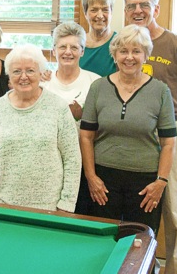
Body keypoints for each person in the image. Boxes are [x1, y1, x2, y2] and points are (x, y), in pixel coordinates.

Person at [125, 0, 177, 274]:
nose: (138, 11)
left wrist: (173, 122)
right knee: (143, 203)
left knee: (175, 209)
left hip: (173, 132)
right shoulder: (125, 44)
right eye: (132, 5)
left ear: (156, 9)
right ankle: (145, 267)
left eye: (144, 5)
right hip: (137, 135)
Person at [80, 25, 176, 235]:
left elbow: (168, 143)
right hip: (103, 182)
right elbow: (86, 136)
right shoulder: (98, 88)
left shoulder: (160, 91)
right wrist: (91, 177)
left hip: (145, 184)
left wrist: (161, 182)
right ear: (114, 55)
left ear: (146, 55)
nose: (129, 57)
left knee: (140, 243)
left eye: (136, 51)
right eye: (123, 51)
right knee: (102, 240)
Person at [0, 44, 81, 212]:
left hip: (49, 209)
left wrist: (66, 205)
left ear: (41, 73)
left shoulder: (58, 108)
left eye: (30, 71)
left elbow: (72, 159)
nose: (23, 77)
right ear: (9, 76)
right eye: (17, 71)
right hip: (3, 206)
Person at [42, 22, 100, 215]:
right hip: (50, 164)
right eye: (62, 47)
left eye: (74, 47)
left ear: (82, 51)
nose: (68, 52)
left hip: (85, 164)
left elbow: (104, 125)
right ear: (53, 50)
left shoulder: (95, 82)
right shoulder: (42, 83)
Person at [79, 0, 117, 77]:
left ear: (111, 12)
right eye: (94, 10)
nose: (100, 15)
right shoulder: (77, 43)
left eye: (105, 10)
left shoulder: (120, 43)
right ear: (85, 13)